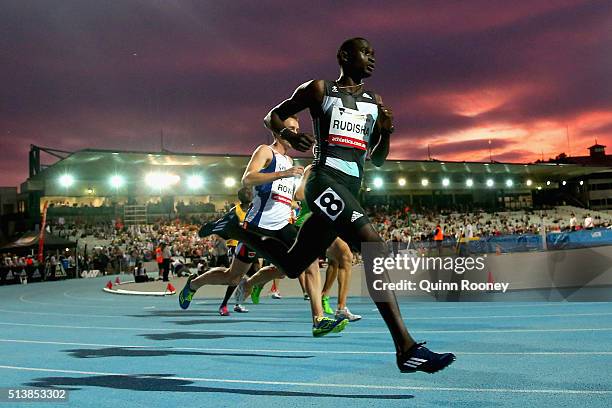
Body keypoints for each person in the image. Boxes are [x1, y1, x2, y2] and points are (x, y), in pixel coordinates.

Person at [201, 37, 455, 373]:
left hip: (350, 186)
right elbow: (272, 116)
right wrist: (290, 137)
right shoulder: (320, 90)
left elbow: (376, 159)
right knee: (374, 245)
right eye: (366, 52)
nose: (372, 58)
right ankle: (406, 348)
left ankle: (235, 228)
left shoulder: (375, 102)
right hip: (323, 181)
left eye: (375, 54)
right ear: (344, 56)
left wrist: (387, 133)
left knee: (293, 264)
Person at [182, 116, 348, 336]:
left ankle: (318, 319)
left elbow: (296, 196)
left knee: (307, 264)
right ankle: (194, 284)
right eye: (291, 129)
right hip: (258, 226)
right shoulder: (265, 152)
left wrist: (310, 176)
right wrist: (282, 174)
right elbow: (247, 180)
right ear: (279, 132)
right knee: (232, 277)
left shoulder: (290, 162)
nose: (296, 133)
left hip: (282, 225)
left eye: (298, 129)